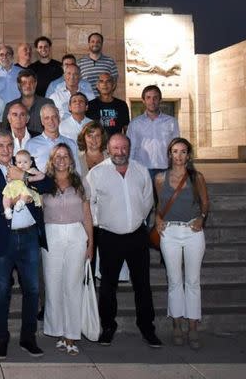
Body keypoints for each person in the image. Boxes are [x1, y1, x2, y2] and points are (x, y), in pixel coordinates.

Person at [0, 130, 53, 359]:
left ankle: (28, 338)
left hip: (29, 236)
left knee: (32, 289)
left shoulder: (24, 162)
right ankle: (1, 339)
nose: (6, 149)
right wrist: (10, 202)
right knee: (1, 292)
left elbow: (48, 184)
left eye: (9, 144)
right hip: (3, 238)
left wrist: (23, 177)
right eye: (0, 145)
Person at [87, 133, 161, 348]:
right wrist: (103, 222)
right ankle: (108, 327)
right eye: (115, 148)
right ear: (108, 150)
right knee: (108, 286)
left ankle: (147, 328)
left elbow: (148, 200)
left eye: (124, 148)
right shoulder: (97, 173)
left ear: (129, 148)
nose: (120, 152)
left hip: (137, 236)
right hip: (109, 237)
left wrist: (137, 219)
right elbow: (89, 202)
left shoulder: (140, 170)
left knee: (143, 285)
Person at [154, 138, 209, 350]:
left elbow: (205, 201)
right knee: (175, 280)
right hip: (170, 232)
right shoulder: (160, 178)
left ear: (189, 155)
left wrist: (202, 217)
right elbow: (159, 204)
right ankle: (177, 324)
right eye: (175, 151)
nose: (179, 156)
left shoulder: (197, 178)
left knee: (193, 281)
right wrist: (158, 219)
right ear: (170, 154)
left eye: (183, 151)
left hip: (193, 232)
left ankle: (193, 327)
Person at [41, 143, 94, 355]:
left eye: (65, 156)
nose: (61, 160)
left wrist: (91, 243)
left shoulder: (80, 183)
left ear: (71, 160)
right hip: (51, 234)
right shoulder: (44, 183)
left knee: (73, 285)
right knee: (54, 284)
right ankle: (59, 330)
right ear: (52, 160)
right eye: (57, 156)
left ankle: (71, 334)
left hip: (76, 234)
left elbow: (87, 214)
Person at [127, 85, 180, 178]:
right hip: (142, 169)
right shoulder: (135, 123)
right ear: (143, 100)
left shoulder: (171, 122)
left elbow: (176, 147)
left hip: (165, 168)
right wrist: (129, 169)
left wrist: (177, 167)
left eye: (155, 98)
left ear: (160, 100)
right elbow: (131, 147)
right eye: (148, 98)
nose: (152, 101)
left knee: (165, 193)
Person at [26, 103, 82, 172]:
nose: (51, 121)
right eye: (47, 118)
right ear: (42, 122)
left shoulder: (71, 143)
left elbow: (77, 171)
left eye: (54, 117)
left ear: (59, 119)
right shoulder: (31, 144)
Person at [0, 69, 53, 135]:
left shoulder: (47, 104)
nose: (28, 86)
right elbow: (4, 132)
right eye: (24, 83)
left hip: (43, 144)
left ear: (35, 83)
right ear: (19, 85)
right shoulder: (10, 106)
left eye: (31, 82)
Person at [1, 150, 44, 220]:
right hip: (14, 188)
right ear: (16, 163)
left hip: (24, 188)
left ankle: (21, 203)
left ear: (30, 163)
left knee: (25, 192)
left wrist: (31, 178)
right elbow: (9, 180)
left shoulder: (32, 170)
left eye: (25, 162)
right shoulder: (15, 170)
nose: (22, 165)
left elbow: (42, 176)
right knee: (6, 195)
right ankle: (7, 209)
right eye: (19, 162)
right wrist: (9, 178)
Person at [86, 73, 130, 137]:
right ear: (97, 86)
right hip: (96, 144)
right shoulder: (90, 105)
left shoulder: (122, 105)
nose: (104, 84)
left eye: (108, 81)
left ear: (113, 85)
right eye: (101, 81)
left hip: (115, 145)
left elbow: (126, 129)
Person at [78, 32, 119, 97]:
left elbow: (114, 83)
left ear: (102, 44)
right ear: (89, 43)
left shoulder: (110, 62)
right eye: (92, 41)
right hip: (87, 102)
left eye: (98, 42)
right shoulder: (80, 62)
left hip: (104, 101)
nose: (95, 44)